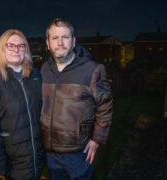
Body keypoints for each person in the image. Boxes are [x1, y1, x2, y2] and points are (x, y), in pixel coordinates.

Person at [40, 18, 113, 179]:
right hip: (50, 151)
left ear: (73, 41)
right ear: (48, 43)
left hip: (79, 153)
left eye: (65, 37)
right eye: (55, 38)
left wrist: (97, 139)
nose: (60, 42)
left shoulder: (92, 69)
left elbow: (105, 106)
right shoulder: (44, 69)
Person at [0, 29, 44, 180]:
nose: (16, 49)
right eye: (10, 45)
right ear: (2, 48)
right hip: (13, 165)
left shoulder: (35, 77)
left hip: (37, 160)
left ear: (26, 50)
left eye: (21, 46)